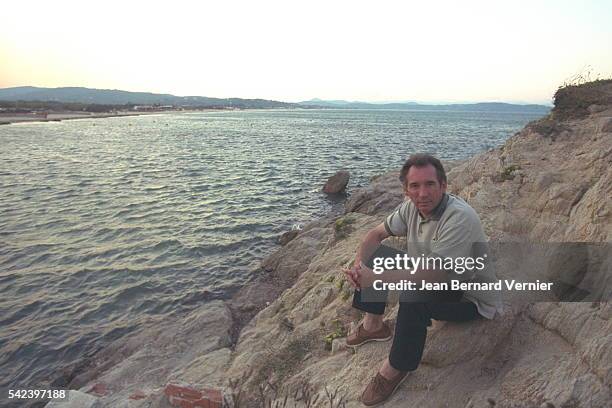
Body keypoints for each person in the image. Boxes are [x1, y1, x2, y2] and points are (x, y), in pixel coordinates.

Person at [343, 153, 502, 406]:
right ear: (406, 190)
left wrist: (377, 278)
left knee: (412, 294)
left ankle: (395, 368)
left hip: (470, 297)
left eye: (430, 184)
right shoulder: (411, 208)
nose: (422, 193)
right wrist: (359, 269)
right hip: (433, 276)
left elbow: (432, 274)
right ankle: (373, 326)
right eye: (414, 186)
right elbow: (373, 236)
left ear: (443, 186)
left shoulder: (458, 217)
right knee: (377, 255)